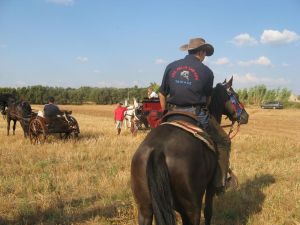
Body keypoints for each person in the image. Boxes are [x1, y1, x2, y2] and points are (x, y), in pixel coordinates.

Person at [159, 37, 235, 194]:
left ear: (189, 50)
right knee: (223, 141)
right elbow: (208, 100)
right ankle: (219, 184)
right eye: (205, 53)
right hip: (195, 113)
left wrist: (165, 112)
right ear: (201, 52)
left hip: (171, 113)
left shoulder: (171, 66)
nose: (205, 56)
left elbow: (162, 93)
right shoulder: (207, 72)